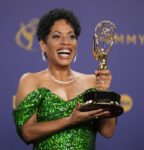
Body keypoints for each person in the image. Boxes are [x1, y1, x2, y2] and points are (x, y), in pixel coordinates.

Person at [13, 8, 116, 150]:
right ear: (43, 44)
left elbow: (108, 132)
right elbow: (27, 133)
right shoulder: (31, 80)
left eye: (71, 36)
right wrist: (70, 120)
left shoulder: (92, 81)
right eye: (57, 36)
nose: (65, 42)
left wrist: (103, 92)